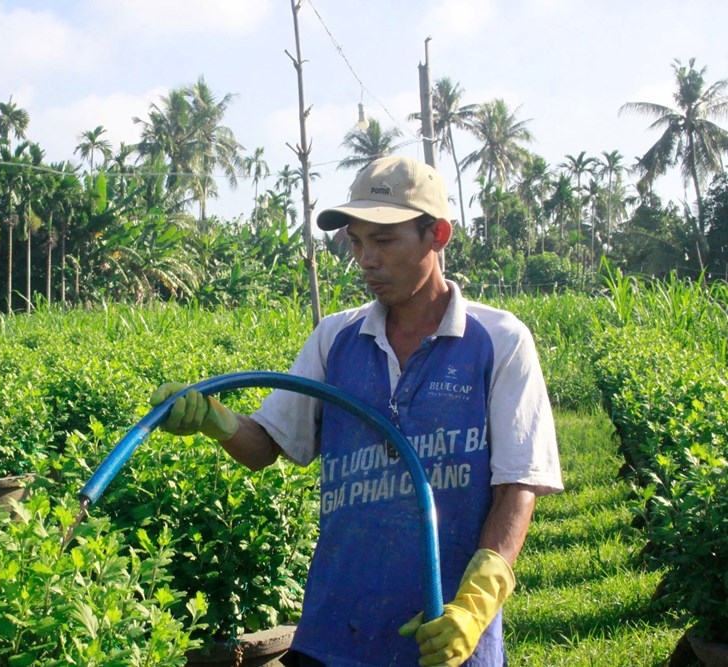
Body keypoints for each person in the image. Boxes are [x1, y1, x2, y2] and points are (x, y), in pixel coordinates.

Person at [151, 156, 563, 667]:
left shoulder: (499, 341)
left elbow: (518, 485)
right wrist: (215, 419)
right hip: (334, 634)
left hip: (442, 637)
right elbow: (267, 445)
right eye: (356, 242)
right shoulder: (335, 340)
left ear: (437, 234)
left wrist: (475, 605)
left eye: (384, 241)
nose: (366, 260)